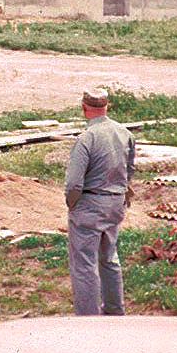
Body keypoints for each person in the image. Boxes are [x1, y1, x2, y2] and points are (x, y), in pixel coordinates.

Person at [64, 87, 135, 316]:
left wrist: (73, 204)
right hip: (115, 203)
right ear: (107, 106)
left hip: (90, 205)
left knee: (84, 265)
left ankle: (88, 319)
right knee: (109, 258)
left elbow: (74, 184)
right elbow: (130, 169)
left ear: (83, 108)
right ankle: (115, 311)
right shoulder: (124, 133)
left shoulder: (86, 139)